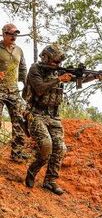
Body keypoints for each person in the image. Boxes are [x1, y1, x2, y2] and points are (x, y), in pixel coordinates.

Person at [24, 44, 72, 195]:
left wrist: (95, 77)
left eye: (59, 62)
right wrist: (59, 79)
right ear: (45, 57)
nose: (58, 64)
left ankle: (50, 181)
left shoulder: (58, 71)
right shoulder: (35, 69)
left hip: (54, 116)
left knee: (60, 148)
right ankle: (32, 172)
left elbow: (77, 79)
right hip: (36, 113)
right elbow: (39, 88)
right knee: (46, 145)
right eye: (55, 61)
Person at [0, 23, 27, 162]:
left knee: (19, 121)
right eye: (11, 34)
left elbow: (23, 68)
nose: (14, 37)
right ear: (4, 34)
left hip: (14, 91)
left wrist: (26, 84)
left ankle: (17, 153)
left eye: (16, 34)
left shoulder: (19, 50)